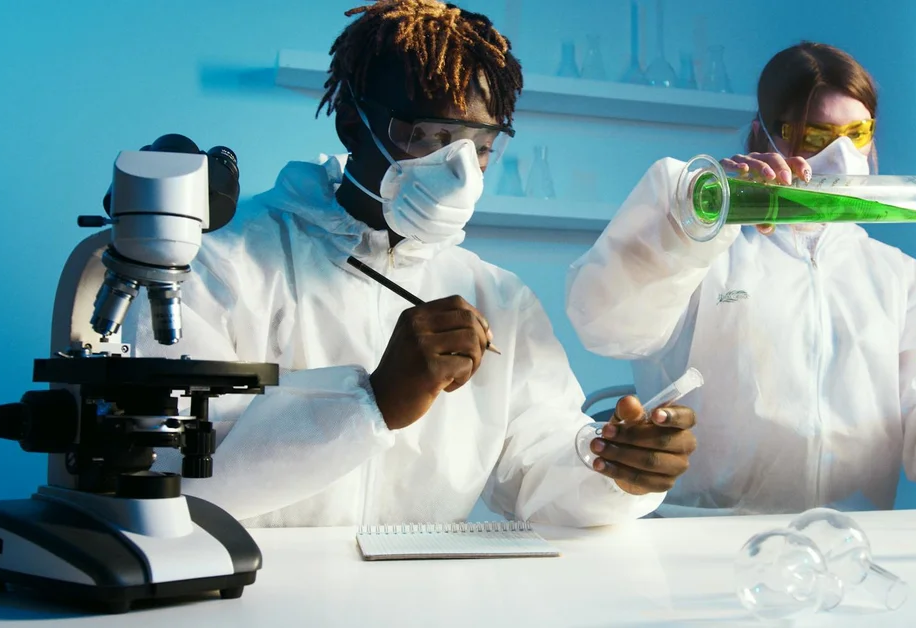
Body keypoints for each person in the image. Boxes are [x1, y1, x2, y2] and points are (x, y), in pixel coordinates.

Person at [127, 0, 698, 528]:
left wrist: (615, 467)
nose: (460, 173)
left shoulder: (496, 295)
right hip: (246, 592)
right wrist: (371, 402)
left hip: (421, 598)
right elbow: (175, 477)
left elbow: (539, 466)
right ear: (352, 121)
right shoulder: (219, 261)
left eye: (480, 148)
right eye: (429, 137)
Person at [565, 42, 916, 516]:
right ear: (762, 136)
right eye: (816, 136)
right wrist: (697, 219)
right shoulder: (706, 246)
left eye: (857, 133)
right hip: (705, 541)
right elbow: (606, 326)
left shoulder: (896, 275)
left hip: (850, 545)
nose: (841, 155)